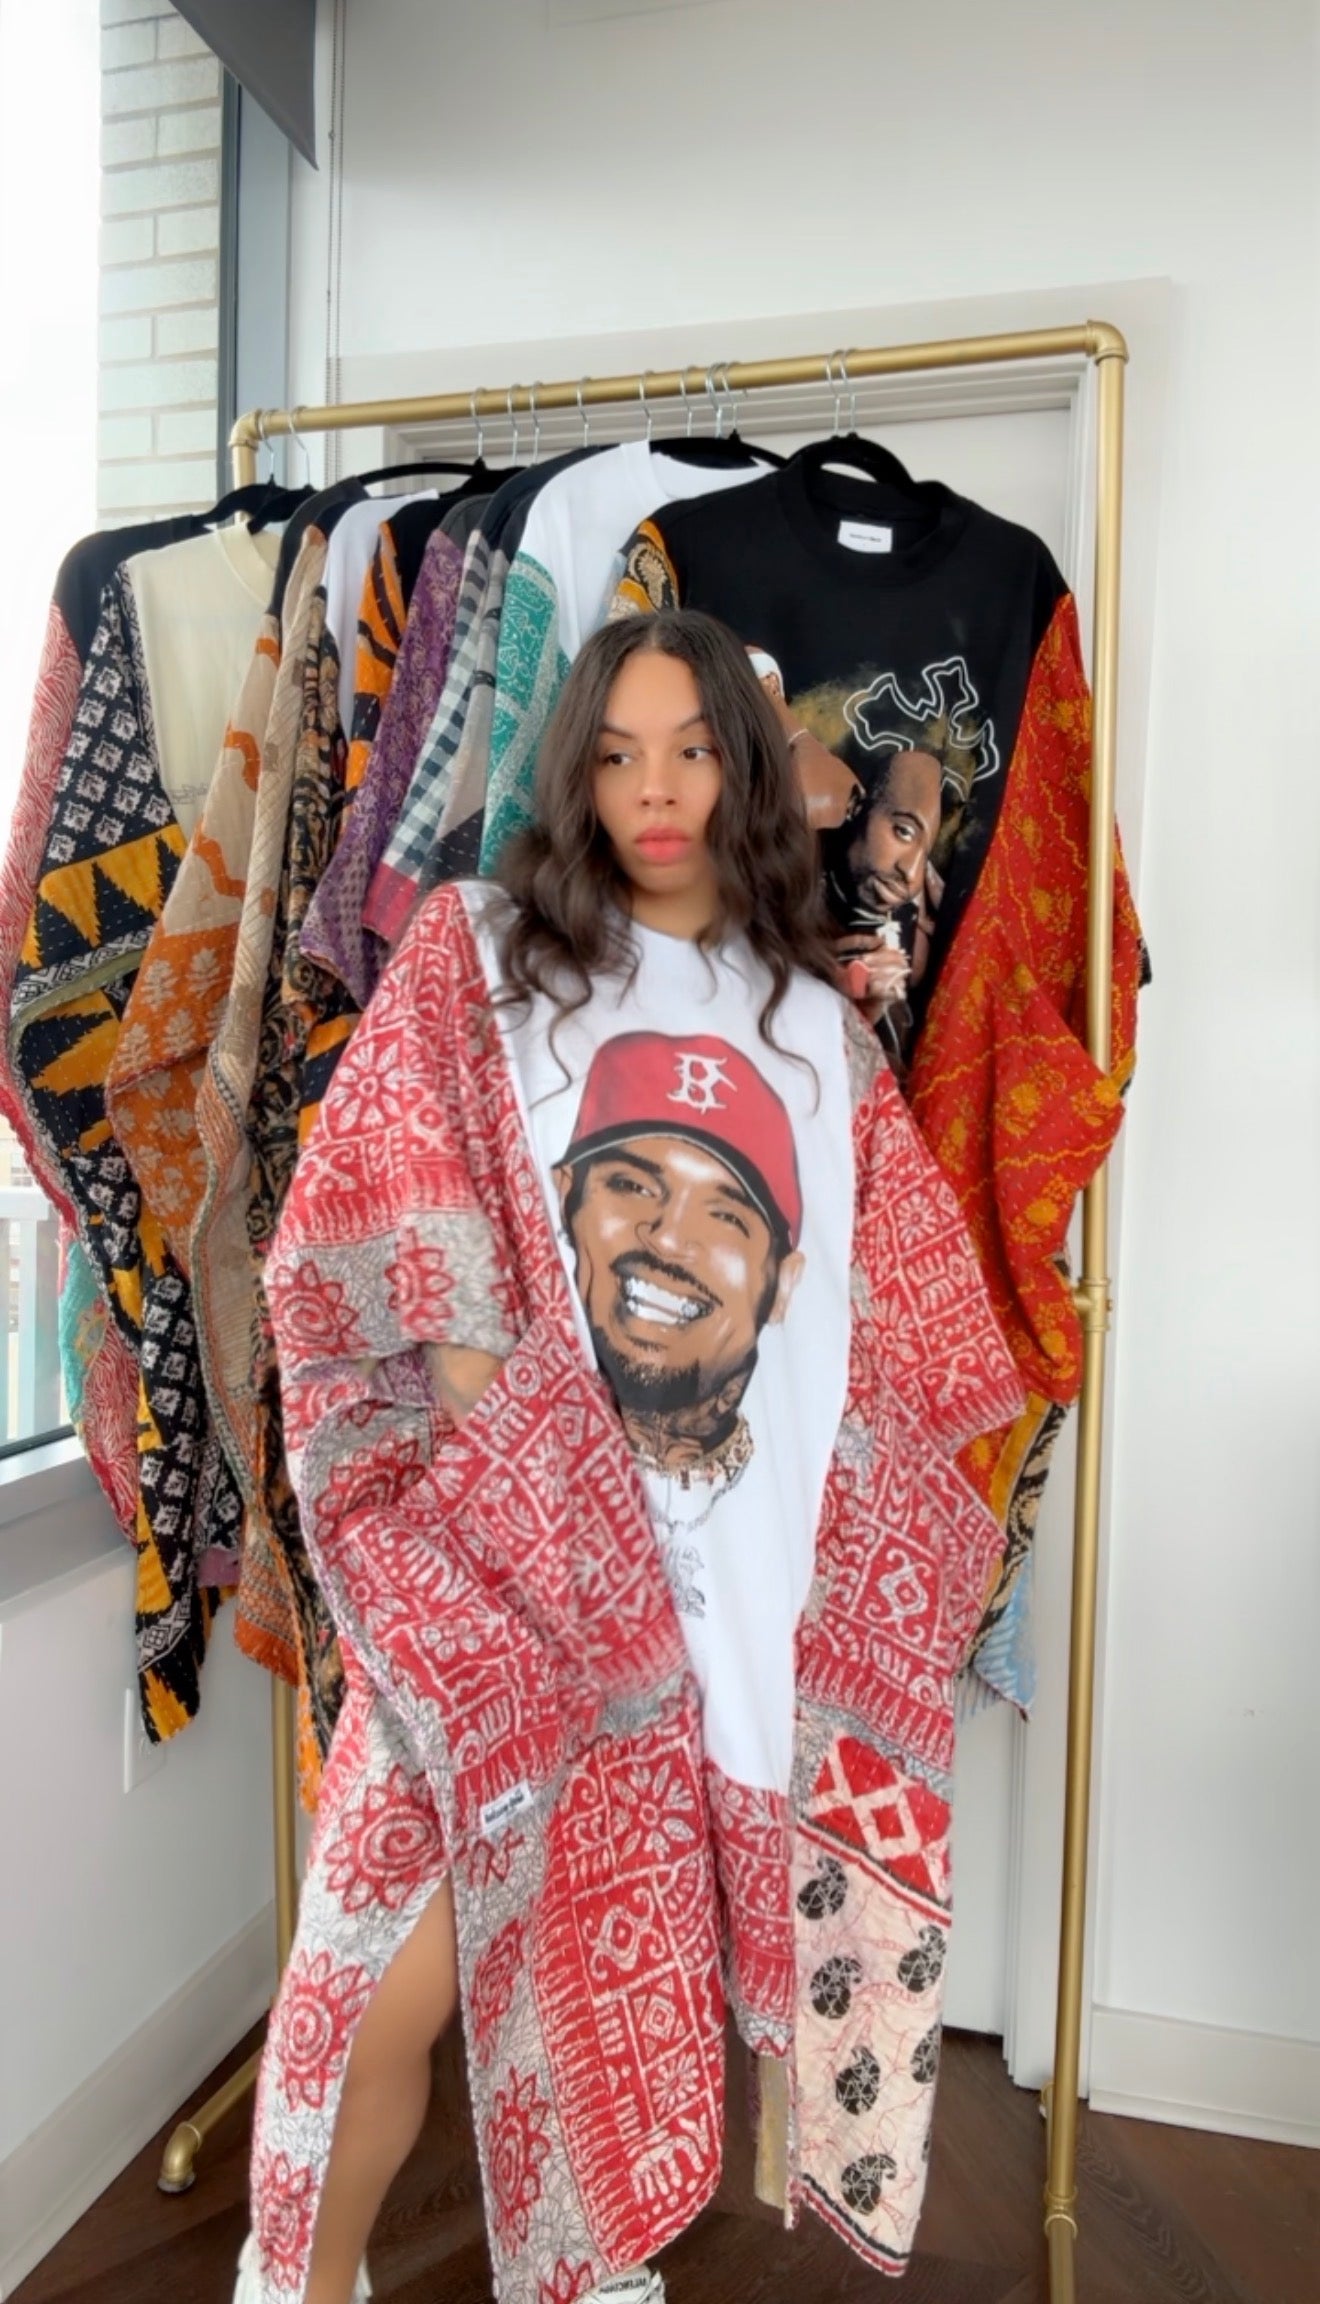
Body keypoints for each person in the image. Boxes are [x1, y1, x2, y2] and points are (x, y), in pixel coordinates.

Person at [237, 609, 1023, 2304]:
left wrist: (852, 1585)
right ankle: (293, 2280)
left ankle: (600, 2270)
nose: (653, 792)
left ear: (745, 773)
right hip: (497, 1590)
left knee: (622, 1973)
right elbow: (370, 1212)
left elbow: (900, 1334)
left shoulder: (814, 1024)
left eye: (690, 752)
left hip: (729, 1610)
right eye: (615, 755)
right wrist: (518, 1461)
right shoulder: (483, 956)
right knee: (365, 1984)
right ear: (575, 774)